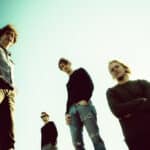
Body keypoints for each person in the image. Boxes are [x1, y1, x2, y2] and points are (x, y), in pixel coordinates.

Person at [58, 58, 106, 150]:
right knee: (77, 143)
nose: (64, 67)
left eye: (65, 64)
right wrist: (66, 113)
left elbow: (90, 84)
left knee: (94, 136)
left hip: (84, 106)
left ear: (69, 63)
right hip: (72, 111)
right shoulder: (68, 84)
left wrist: (86, 98)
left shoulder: (80, 71)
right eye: (62, 67)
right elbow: (69, 98)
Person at [106, 60, 150, 150]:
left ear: (124, 67)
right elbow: (117, 111)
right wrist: (140, 100)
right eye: (112, 70)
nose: (115, 70)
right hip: (134, 138)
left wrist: (129, 112)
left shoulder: (142, 83)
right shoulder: (111, 92)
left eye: (117, 66)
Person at [0, 24, 18, 150]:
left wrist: (14, 89)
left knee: (8, 128)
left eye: (12, 36)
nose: (10, 37)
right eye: (8, 33)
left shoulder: (11, 60)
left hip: (10, 92)